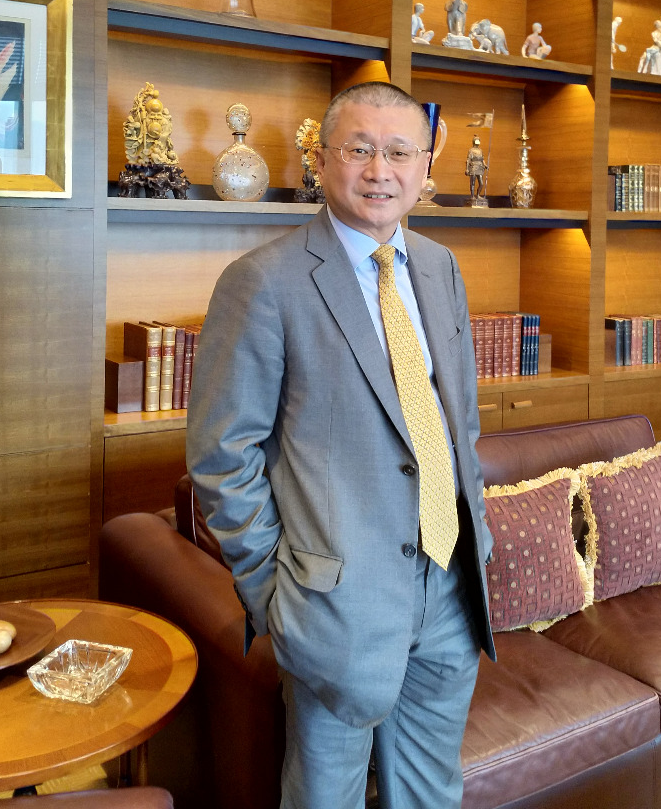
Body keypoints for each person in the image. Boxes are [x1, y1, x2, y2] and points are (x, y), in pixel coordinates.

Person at [187, 81, 495, 809]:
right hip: (334, 605)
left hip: (450, 586)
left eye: (399, 152)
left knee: (431, 794)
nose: (379, 170)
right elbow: (222, 454)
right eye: (359, 150)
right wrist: (272, 591)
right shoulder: (263, 282)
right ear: (322, 160)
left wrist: (473, 538)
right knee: (325, 797)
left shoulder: (440, 266)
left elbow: (460, 423)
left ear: (425, 166)